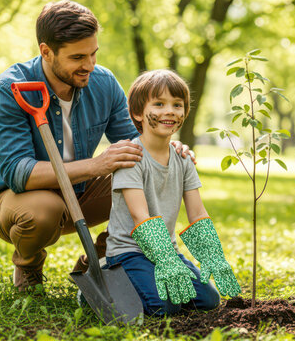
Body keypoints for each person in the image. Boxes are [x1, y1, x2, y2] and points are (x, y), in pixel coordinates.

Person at [0, 0, 194, 293]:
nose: (89, 65)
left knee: (145, 171)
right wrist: (96, 165)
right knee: (43, 211)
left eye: (93, 54)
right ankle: (28, 264)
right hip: (19, 200)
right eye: (78, 57)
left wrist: (171, 152)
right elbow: (18, 173)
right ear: (46, 52)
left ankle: (107, 256)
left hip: (81, 192)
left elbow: (137, 144)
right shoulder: (9, 89)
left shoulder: (102, 82)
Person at [100, 69, 240, 316]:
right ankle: (107, 281)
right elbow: (139, 216)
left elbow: (197, 212)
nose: (170, 111)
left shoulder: (182, 158)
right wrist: (164, 260)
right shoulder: (131, 157)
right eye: (159, 103)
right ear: (137, 113)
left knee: (207, 299)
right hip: (129, 252)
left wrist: (212, 256)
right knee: (163, 306)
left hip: (168, 252)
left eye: (177, 105)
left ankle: (158, 278)